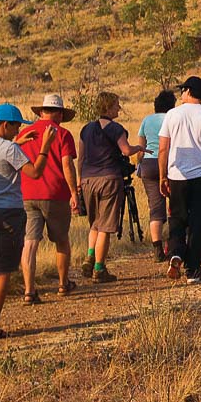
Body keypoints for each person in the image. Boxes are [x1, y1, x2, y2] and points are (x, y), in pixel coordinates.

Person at [0, 103, 47, 340]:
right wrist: (44, 147)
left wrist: (18, 144)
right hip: (10, 214)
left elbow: (1, 153)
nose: (17, 131)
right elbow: (34, 172)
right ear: (6, 124)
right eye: (16, 126)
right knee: (5, 271)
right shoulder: (10, 149)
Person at [159, 76, 201, 283]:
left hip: (177, 176)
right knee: (198, 223)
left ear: (188, 91)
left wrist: (163, 176)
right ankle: (193, 269)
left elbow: (163, 148)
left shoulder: (172, 115)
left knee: (177, 218)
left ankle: (175, 254)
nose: (181, 95)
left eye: (182, 91)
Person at [15, 94, 78, 303]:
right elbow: (67, 164)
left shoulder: (25, 133)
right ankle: (62, 284)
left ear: (41, 112)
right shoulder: (63, 134)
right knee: (61, 240)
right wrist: (74, 193)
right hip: (55, 194)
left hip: (27, 193)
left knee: (30, 243)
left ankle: (29, 291)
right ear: (59, 114)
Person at [78, 91, 141, 283]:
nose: (119, 108)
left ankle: (90, 256)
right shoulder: (116, 129)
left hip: (88, 179)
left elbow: (81, 158)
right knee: (105, 226)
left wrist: (79, 182)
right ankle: (99, 268)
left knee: (95, 222)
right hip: (109, 179)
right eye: (116, 105)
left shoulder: (86, 129)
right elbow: (125, 150)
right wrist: (139, 148)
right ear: (108, 107)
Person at [135, 90, 176, 261]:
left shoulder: (147, 120)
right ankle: (174, 243)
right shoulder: (172, 119)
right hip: (168, 163)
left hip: (149, 164)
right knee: (175, 205)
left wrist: (139, 165)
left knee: (155, 207)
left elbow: (140, 147)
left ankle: (157, 249)